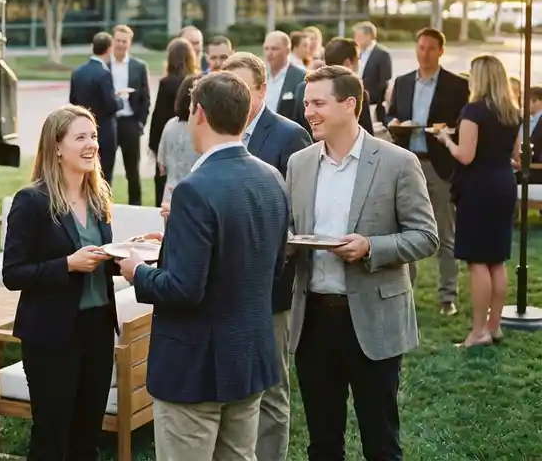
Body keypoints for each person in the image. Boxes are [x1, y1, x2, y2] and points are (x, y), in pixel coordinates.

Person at [120, 72, 289, 461]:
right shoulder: (272, 177)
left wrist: (137, 272)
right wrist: (173, 245)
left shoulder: (194, 189)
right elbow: (270, 261)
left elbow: (184, 289)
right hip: (249, 356)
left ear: (198, 113)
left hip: (196, 368)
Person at [286, 66, 439, 461]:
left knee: (381, 441)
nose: (308, 112)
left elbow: (426, 236)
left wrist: (370, 247)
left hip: (374, 320)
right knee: (322, 443)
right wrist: (286, 244)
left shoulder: (397, 162)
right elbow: (292, 228)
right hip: (313, 320)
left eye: (318, 103)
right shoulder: (300, 163)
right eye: (306, 104)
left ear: (349, 104)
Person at [2, 105, 119, 460]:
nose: (91, 144)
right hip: (52, 336)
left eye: (93, 136)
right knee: (51, 437)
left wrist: (125, 255)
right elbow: (13, 273)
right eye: (80, 137)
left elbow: (99, 262)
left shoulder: (98, 197)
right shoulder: (32, 201)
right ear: (56, 147)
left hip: (98, 330)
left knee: (88, 436)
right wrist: (67, 265)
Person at [223, 53, 312, 461]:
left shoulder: (289, 136)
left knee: (272, 386)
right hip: (225, 285)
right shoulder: (222, 133)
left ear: (262, 90)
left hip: (271, 285)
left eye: (242, 87)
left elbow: (298, 215)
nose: (234, 96)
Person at [439, 55, 521, 347]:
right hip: (504, 183)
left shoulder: (474, 111)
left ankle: (477, 332)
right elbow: (516, 157)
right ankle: (494, 326)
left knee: (477, 262)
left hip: (480, 187)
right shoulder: (512, 112)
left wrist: (446, 139)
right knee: (496, 259)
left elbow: (465, 156)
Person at [385, 27, 469, 315]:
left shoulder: (457, 85)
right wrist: (395, 122)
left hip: (440, 165)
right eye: (421, 47)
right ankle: (405, 291)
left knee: (445, 232)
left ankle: (448, 296)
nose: (425, 53)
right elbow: (390, 113)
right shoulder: (403, 82)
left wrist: (447, 130)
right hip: (408, 162)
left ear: (441, 51)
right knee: (405, 229)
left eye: (431, 48)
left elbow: (465, 124)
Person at [148, 37, 199, 206]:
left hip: (171, 138)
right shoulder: (197, 81)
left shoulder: (167, 83)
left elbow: (158, 117)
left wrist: (155, 147)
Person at [292, 37, 374, 136]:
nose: (308, 113)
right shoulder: (356, 91)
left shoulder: (302, 88)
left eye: (319, 103)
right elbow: (366, 134)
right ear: (348, 63)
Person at [70, 32, 122, 183]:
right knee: (104, 175)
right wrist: (120, 100)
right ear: (109, 49)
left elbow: (72, 100)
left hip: (81, 129)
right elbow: (110, 105)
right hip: (103, 131)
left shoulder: (78, 72)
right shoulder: (104, 74)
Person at [110, 24, 152, 206]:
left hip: (130, 123)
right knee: (104, 169)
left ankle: (136, 206)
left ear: (130, 43)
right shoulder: (105, 65)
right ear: (112, 41)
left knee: (132, 170)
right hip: (109, 122)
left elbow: (146, 98)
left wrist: (140, 123)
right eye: (118, 40)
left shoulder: (139, 66)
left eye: (124, 41)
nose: (120, 44)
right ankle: (102, 207)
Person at [156, 73, 204, 209]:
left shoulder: (170, 125)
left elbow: (161, 166)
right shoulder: (203, 129)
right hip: (195, 196)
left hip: (170, 194)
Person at [353, 21, 392, 125]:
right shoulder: (357, 53)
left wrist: (371, 99)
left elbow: (384, 81)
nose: (356, 39)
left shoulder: (382, 54)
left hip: (374, 105)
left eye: (359, 36)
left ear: (369, 36)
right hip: (358, 102)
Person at [264, 31, 306, 119]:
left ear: (287, 50)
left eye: (274, 49)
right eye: (266, 49)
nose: (269, 53)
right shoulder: (261, 76)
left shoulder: (300, 76)